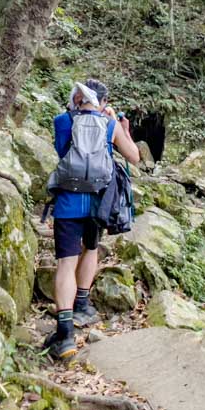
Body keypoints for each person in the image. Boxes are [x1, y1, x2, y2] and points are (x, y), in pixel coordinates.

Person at [44, 78, 140, 360]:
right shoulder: (110, 125)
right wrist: (122, 129)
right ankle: (83, 305)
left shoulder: (62, 121)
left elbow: (63, 152)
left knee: (65, 262)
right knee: (92, 248)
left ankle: (64, 335)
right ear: (104, 102)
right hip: (98, 203)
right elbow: (134, 157)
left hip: (68, 203)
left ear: (77, 98)